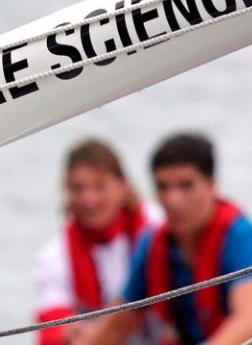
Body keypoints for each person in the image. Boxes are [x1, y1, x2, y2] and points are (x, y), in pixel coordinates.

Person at [75, 133, 252, 345]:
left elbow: (251, 322)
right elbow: (117, 325)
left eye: (186, 185)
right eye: (163, 187)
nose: (173, 199)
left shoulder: (243, 239)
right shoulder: (153, 246)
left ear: (212, 184)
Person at [34, 138, 162, 345]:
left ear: (123, 186)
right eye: (78, 189)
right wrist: (68, 332)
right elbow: (51, 327)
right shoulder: (54, 256)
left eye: (99, 187)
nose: (89, 199)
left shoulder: (158, 226)